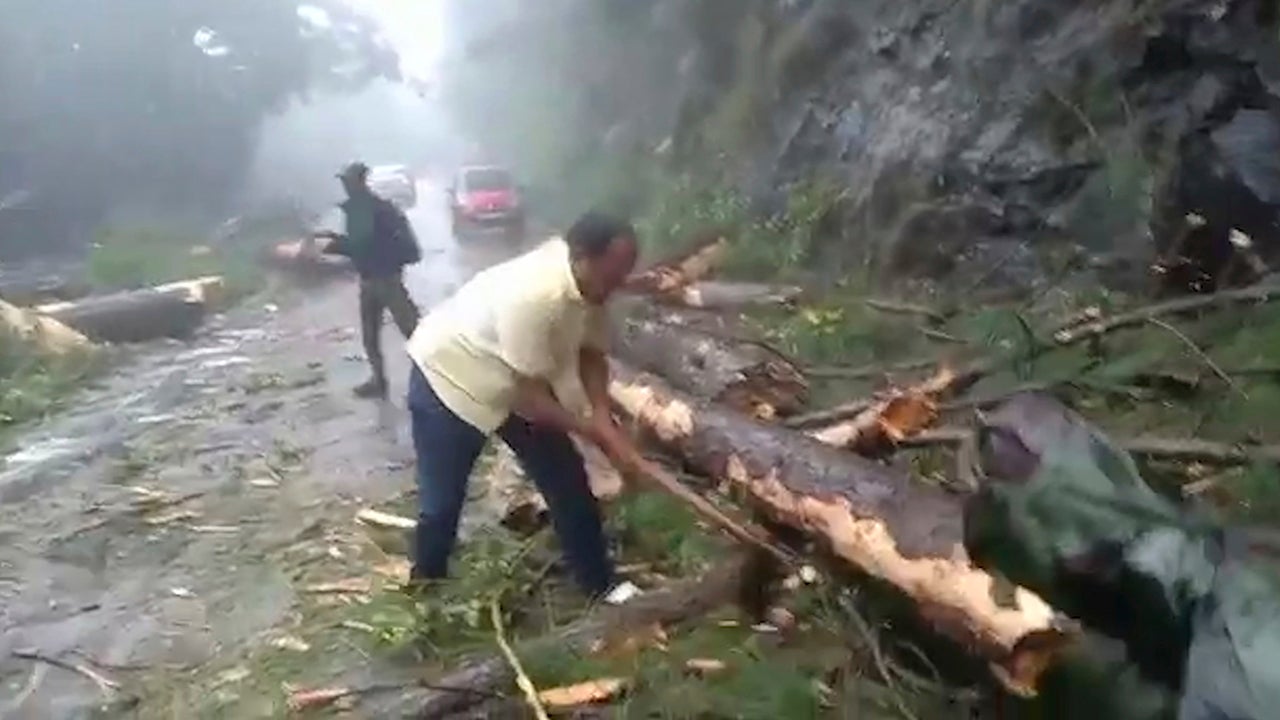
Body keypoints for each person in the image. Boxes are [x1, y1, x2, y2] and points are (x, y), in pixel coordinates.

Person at [404, 211, 641, 602]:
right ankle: (425, 592)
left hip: (511, 378)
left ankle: (599, 583)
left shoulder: (592, 287)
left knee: (567, 482)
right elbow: (532, 400)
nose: (617, 286)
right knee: (442, 504)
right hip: (449, 380)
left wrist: (601, 416)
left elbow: (592, 354)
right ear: (582, 256)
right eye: (612, 274)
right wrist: (593, 432)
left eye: (623, 275)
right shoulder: (536, 296)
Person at [312, 162, 422, 399]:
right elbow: (359, 241)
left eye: (347, 181)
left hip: (385, 280)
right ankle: (379, 380)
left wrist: (332, 245)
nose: (344, 186)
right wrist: (333, 239)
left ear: (358, 181)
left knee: (412, 332)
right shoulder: (366, 207)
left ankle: (433, 378)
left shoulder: (371, 209)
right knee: (371, 336)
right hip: (370, 279)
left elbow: (360, 244)